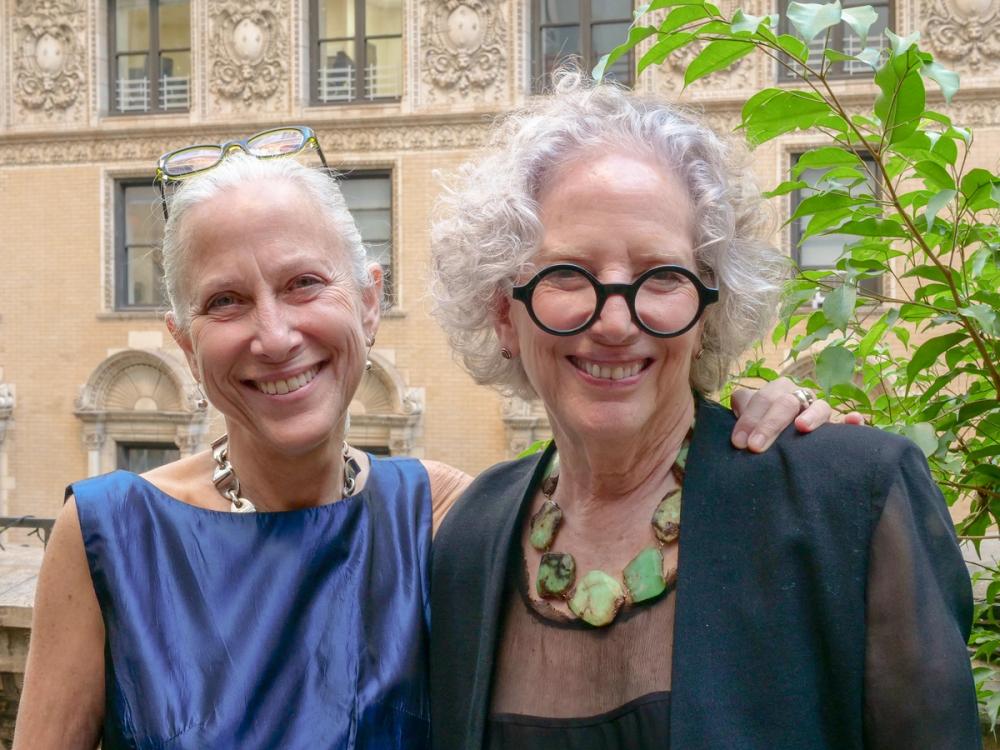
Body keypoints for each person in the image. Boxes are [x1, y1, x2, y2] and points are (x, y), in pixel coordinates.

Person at [14, 129, 841, 749]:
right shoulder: (105, 534)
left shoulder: (447, 514)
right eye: (226, 302)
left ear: (369, 303)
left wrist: (772, 429)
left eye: (305, 284)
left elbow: (629, 538)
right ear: (185, 342)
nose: (273, 335)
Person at [428, 74, 980, 749]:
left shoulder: (849, 504)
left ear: (707, 309)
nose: (614, 320)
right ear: (503, 315)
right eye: (568, 274)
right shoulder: (467, 539)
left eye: (661, 276)